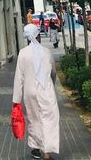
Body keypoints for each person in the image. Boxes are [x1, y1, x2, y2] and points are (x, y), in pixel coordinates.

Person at [13, 23, 60, 160]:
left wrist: (16, 100)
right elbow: (53, 73)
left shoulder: (23, 53)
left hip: (29, 92)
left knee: (34, 119)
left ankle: (36, 147)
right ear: (37, 36)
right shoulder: (46, 52)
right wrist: (52, 84)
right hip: (46, 91)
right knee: (50, 119)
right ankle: (46, 151)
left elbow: (18, 77)